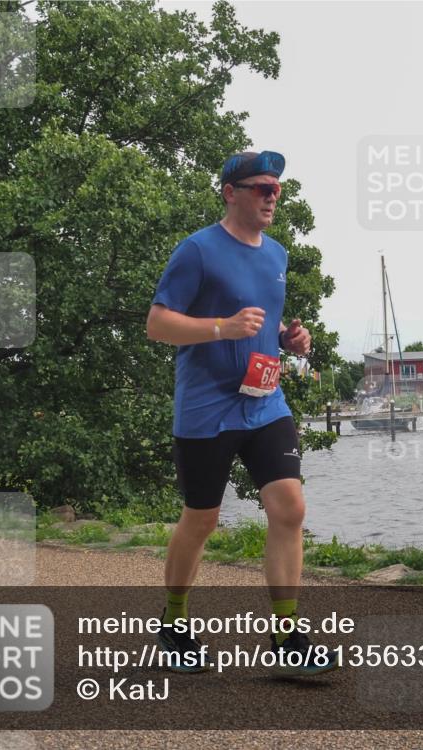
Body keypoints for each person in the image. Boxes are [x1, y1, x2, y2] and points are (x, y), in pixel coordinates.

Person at [146, 150, 337, 676]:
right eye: (260, 188)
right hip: (207, 408)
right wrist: (219, 328)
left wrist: (292, 338)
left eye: (276, 189)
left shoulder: (276, 254)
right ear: (231, 192)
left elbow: (266, 324)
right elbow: (158, 324)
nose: (272, 197)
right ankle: (175, 622)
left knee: (289, 508)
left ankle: (286, 637)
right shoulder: (197, 251)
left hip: (265, 401)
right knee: (202, 519)